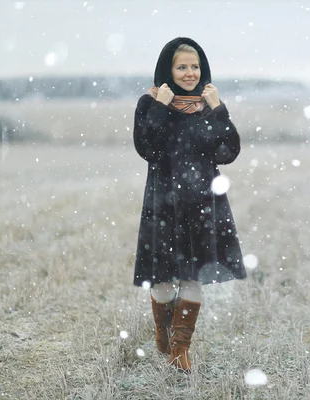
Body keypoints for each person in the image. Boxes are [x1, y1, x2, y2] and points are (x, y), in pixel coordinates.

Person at [132, 37, 247, 373]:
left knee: (193, 278)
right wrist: (160, 108)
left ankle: (181, 350)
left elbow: (228, 153)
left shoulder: (208, 105)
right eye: (181, 66)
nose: (189, 73)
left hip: (203, 203)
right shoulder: (149, 103)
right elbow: (147, 149)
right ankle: (162, 331)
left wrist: (219, 109)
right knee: (163, 283)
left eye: (194, 66)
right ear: (168, 69)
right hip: (163, 203)